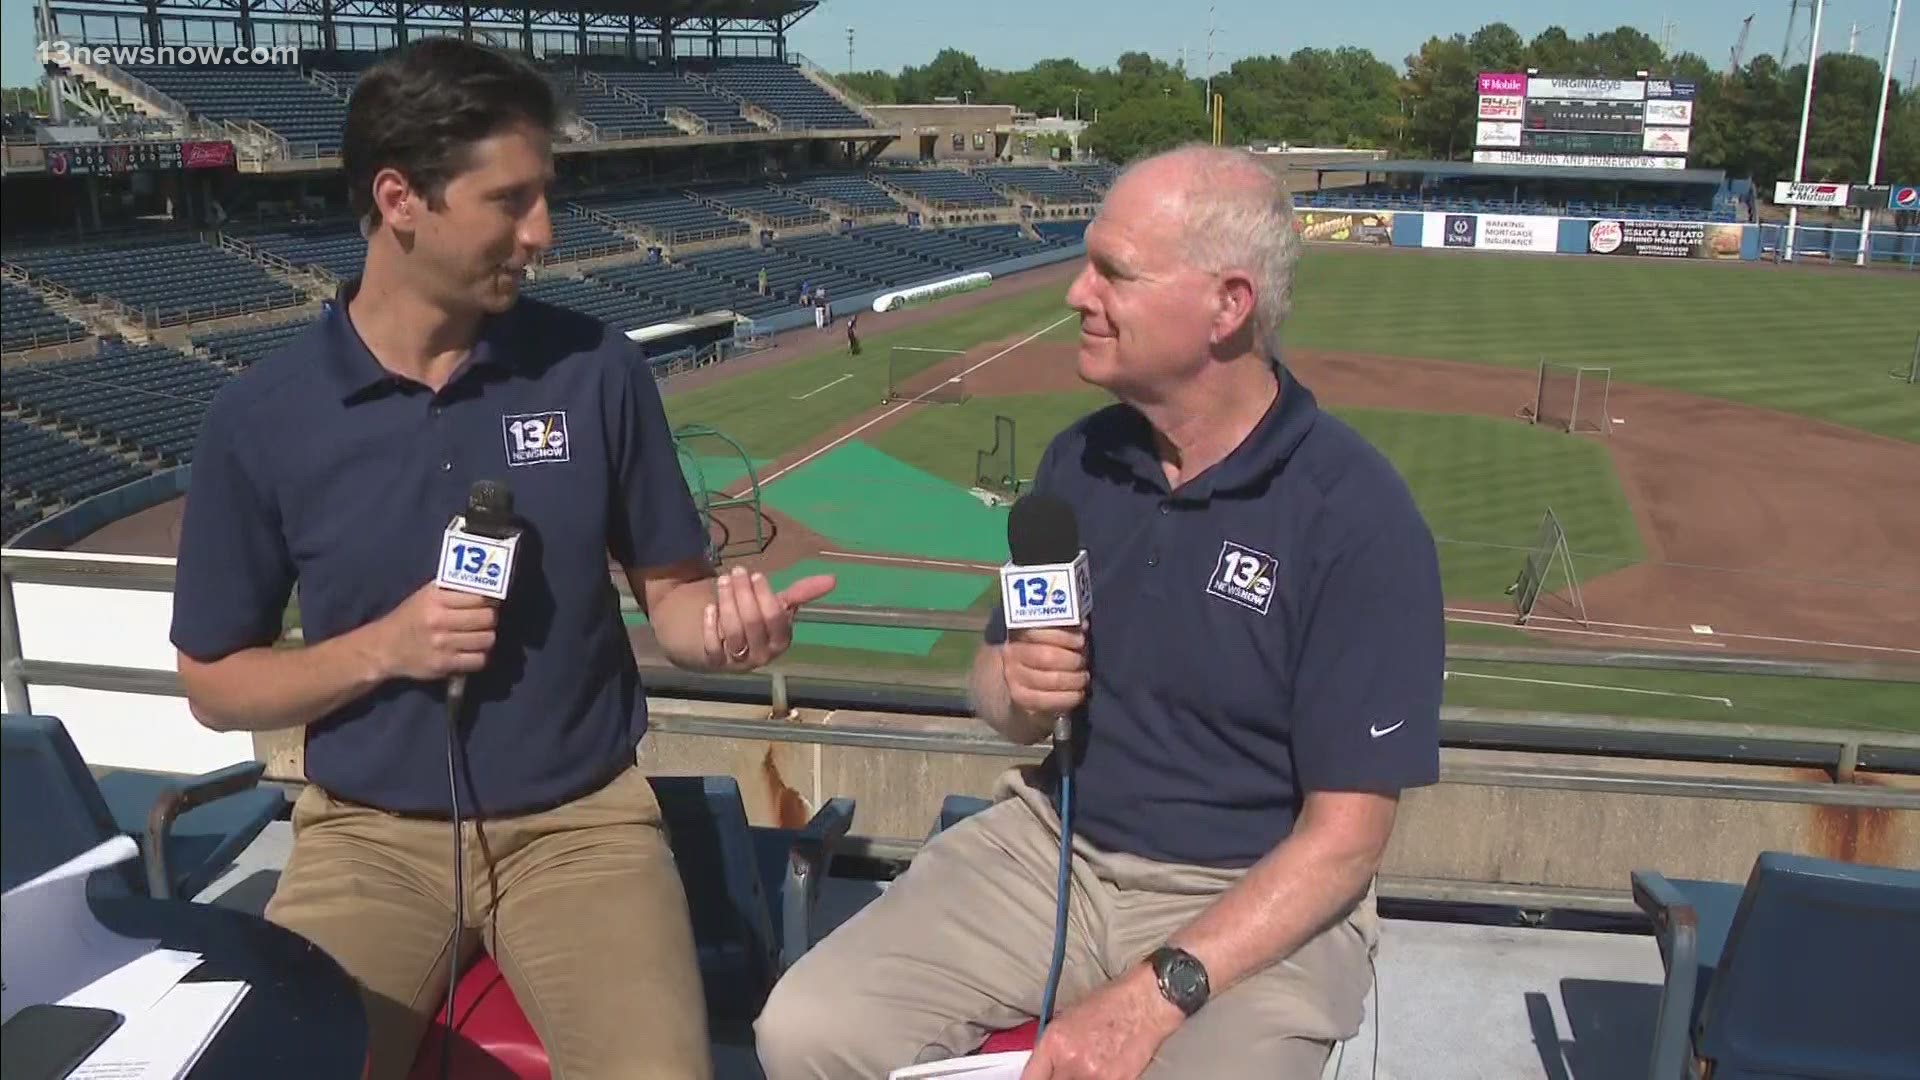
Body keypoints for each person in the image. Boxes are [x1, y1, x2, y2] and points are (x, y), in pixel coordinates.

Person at [168, 38, 833, 1080]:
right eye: (510, 201)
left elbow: (676, 600)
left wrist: (730, 631)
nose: (544, 232)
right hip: (365, 838)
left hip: (585, 828)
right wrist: (383, 649)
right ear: (401, 199)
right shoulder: (262, 416)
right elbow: (213, 681)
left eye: (545, 196)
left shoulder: (595, 369)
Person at [754, 142, 1442, 1080]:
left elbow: (1345, 842)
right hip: (1052, 849)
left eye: (1113, 272)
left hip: (1257, 891)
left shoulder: (1356, 515)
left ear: (1227, 306)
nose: (1076, 293)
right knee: (804, 1031)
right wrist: (1017, 684)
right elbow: (1000, 700)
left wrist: (1154, 995)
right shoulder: (1077, 462)